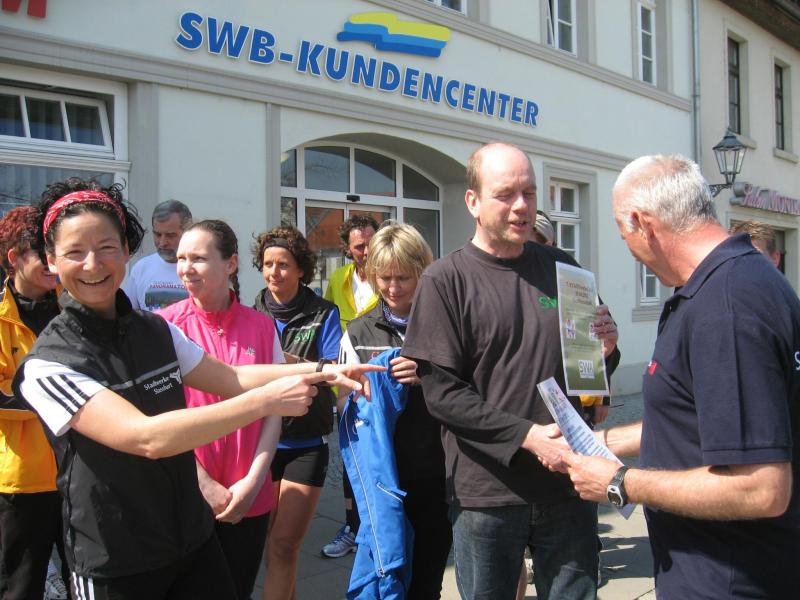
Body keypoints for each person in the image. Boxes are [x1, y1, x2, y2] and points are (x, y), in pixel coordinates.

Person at [12, 178, 380, 600]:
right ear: (52, 260)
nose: (93, 264)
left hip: (189, 539)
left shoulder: (155, 330)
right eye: (75, 252)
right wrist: (266, 400)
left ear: (127, 251)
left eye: (106, 247)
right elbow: (145, 437)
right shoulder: (48, 364)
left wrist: (322, 370)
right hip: (116, 555)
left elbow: (231, 377)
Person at [554, 154, 799, 599]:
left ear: (643, 224)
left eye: (623, 233)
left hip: (728, 580)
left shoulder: (724, 305)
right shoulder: (741, 278)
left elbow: (762, 488)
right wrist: (602, 442)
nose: (630, 250)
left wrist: (619, 483)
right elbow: (703, 418)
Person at [402, 142, 620, 600]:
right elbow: (443, 395)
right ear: (473, 201)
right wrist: (528, 436)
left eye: (529, 193)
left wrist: (605, 352)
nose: (521, 206)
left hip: (568, 482)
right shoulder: (445, 280)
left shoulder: (564, 269)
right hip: (487, 494)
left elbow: (589, 373)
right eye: (505, 194)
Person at [158, 220, 282, 600]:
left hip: (248, 495)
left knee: (237, 590)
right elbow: (160, 418)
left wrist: (254, 482)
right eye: (181, 258)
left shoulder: (262, 327)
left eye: (198, 258)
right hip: (187, 494)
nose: (185, 268)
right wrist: (203, 484)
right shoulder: (164, 327)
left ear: (230, 264)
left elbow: (274, 410)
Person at [340, 222, 451, 599]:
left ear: (422, 271)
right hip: (384, 479)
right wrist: (355, 388)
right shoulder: (358, 332)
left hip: (438, 475)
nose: (392, 287)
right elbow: (343, 405)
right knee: (386, 575)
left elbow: (471, 386)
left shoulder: (446, 325)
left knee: (427, 582)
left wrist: (428, 376)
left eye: (403, 277)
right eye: (383, 278)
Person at [252, 226, 342, 600]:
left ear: (301, 269)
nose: (274, 272)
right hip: (259, 440)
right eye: (268, 264)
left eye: (283, 265)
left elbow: (332, 370)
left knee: (284, 544)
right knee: (269, 546)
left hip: (305, 442)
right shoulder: (251, 312)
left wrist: (286, 362)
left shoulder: (323, 313)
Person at [0, 206, 68, 600]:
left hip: (79, 472)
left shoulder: (73, 305)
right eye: (43, 252)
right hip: (23, 480)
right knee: (20, 587)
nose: (53, 261)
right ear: (14, 258)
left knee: (90, 582)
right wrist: (62, 398)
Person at [321, 214, 380, 558]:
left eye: (371, 243)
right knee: (350, 458)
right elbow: (330, 326)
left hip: (380, 381)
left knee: (384, 458)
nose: (367, 251)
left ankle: (381, 528)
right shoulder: (338, 279)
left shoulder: (389, 275)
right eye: (359, 246)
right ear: (347, 249)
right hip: (346, 386)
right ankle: (353, 527)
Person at [123, 199, 192, 310]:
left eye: (170, 235)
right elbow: (128, 314)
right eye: (158, 234)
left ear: (188, 232)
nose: (162, 243)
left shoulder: (198, 269)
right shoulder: (141, 268)